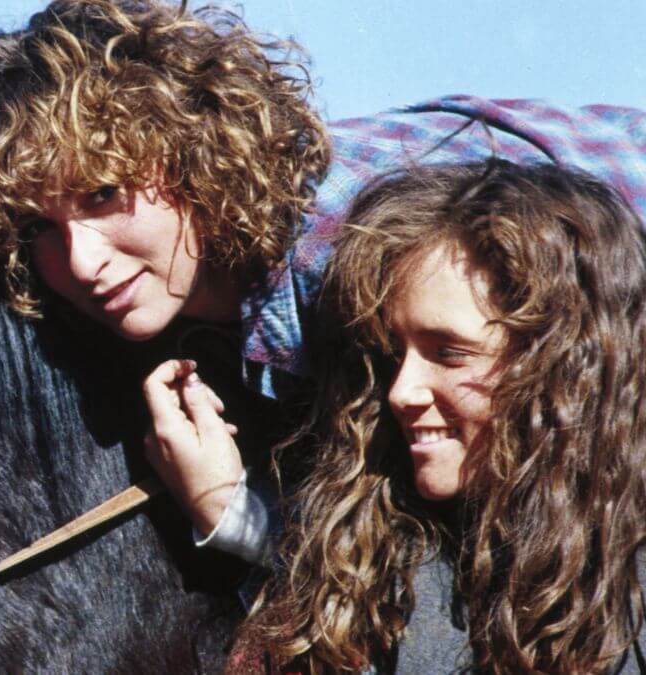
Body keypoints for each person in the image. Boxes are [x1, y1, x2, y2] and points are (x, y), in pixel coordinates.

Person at [0, 0, 646, 564]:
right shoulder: (251, 286)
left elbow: (503, 552)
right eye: (37, 228)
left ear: (191, 150)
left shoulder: (357, 263)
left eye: (103, 192)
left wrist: (230, 511)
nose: (81, 262)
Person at [227, 160, 646, 673]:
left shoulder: (627, 593)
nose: (401, 392)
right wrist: (227, 510)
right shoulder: (387, 563)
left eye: (449, 353)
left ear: (565, 368)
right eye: (390, 354)